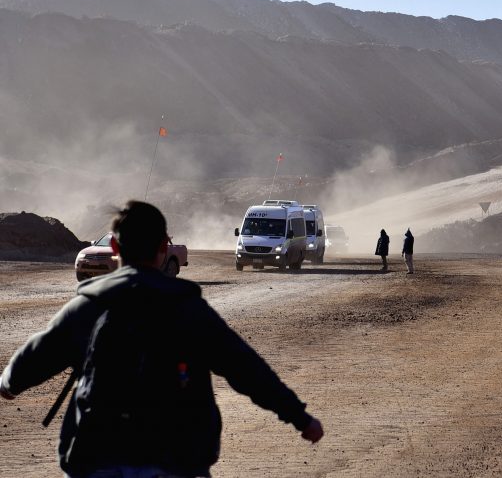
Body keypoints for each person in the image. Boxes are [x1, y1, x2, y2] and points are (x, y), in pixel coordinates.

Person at [0, 201, 323, 478]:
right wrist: (300, 418)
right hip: (174, 457)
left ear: (115, 248)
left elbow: (37, 355)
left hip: (97, 456)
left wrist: (9, 384)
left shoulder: (90, 305)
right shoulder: (189, 309)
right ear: (163, 247)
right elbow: (246, 369)